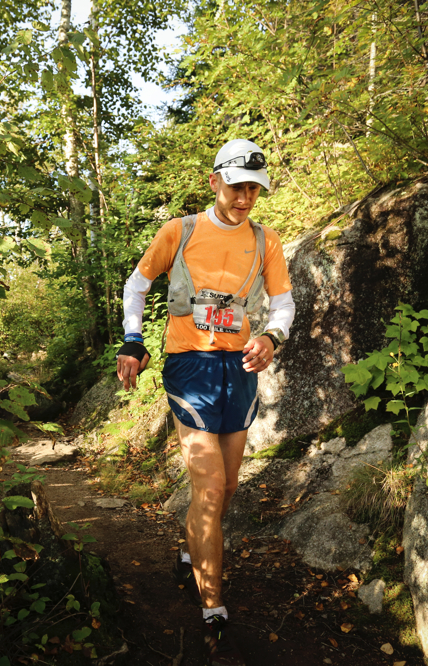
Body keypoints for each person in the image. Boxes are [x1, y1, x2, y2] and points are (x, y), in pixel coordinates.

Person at [115, 139, 295, 665]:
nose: (245, 198)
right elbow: (136, 286)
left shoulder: (266, 240)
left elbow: (283, 303)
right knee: (212, 488)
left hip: (238, 370)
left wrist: (273, 336)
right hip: (189, 367)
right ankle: (213, 612)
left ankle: (188, 551)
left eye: (254, 189)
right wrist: (132, 340)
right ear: (214, 181)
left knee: (227, 486)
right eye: (236, 186)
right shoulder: (181, 230)